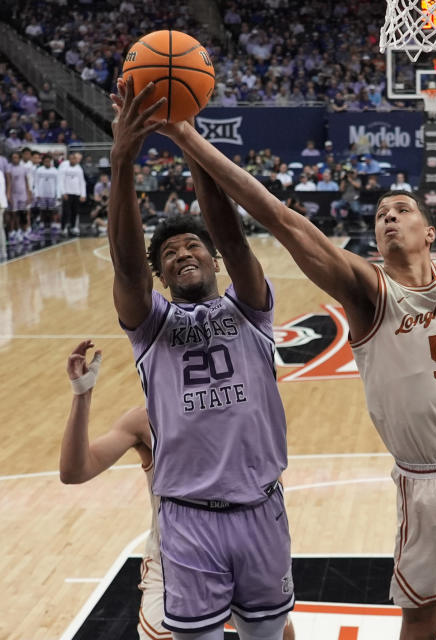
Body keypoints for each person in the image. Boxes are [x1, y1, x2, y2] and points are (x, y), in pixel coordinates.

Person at [162, 114, 436, 639]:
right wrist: (189, 139)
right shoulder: (367, 287)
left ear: (428, 232)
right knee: (423, 621)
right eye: (381, 214)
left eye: (402, 210)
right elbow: (282, 219)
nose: (389, 218)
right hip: (428, 482)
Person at [108, 81, 293, 639]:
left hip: (262, 507)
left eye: (192, 246)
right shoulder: (152, 325)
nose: (182, 253)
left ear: (210, 259)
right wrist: (122, 161)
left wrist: (186, 140)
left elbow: (234, 239)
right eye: (169, 253)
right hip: (187, 518)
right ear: (161, 276)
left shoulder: (251, 309)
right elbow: (126, 268)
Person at [59, 341, 297, 640]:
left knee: (278, 628)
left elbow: (271, 481)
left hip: (245, 544)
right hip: (176, 555)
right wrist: (82, 395)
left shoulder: (242, 412)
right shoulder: (143, 421)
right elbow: (74, 471)